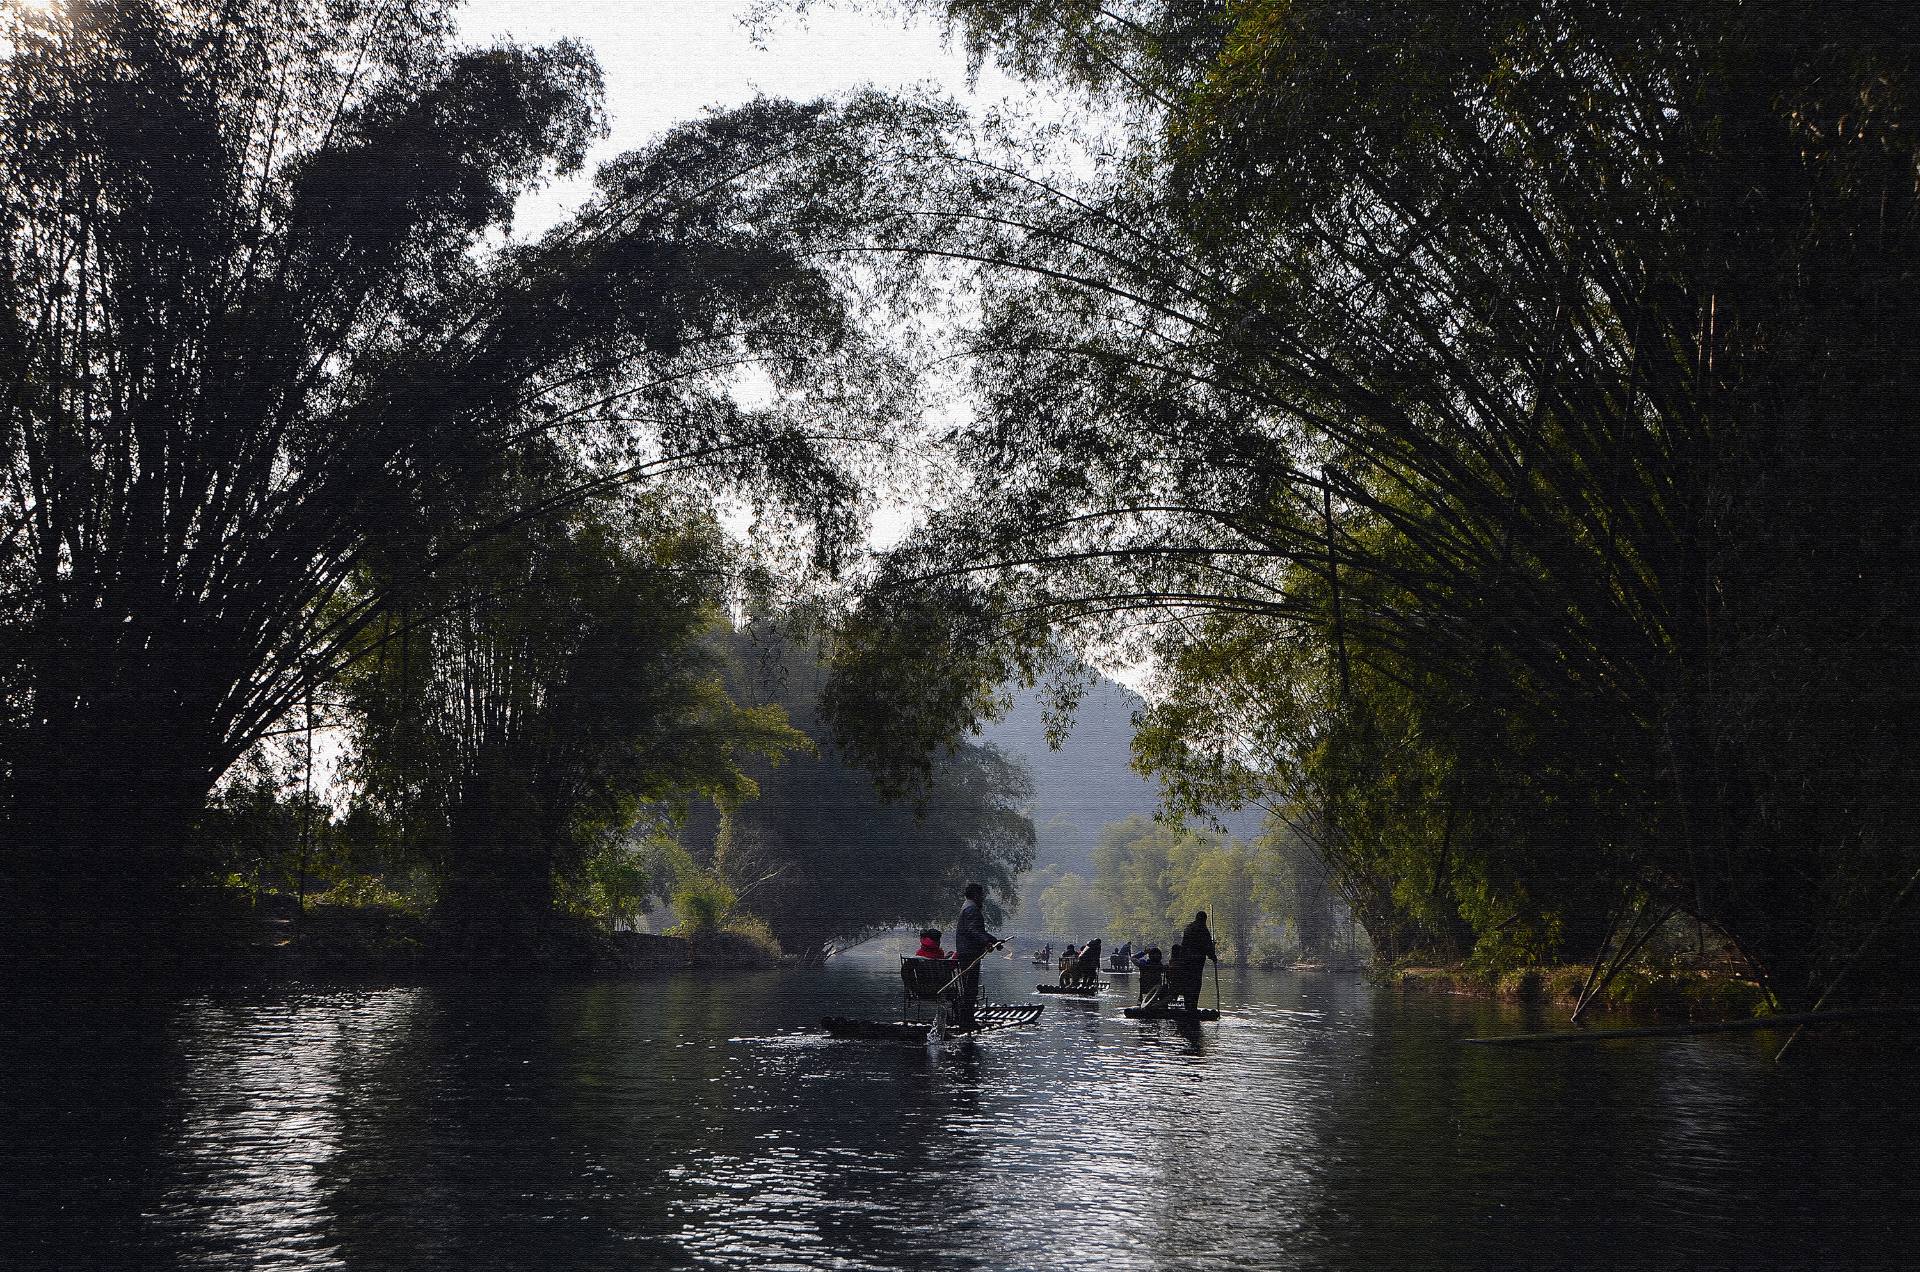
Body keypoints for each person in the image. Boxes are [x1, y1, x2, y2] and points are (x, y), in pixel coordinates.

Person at [954, 882, 1003, 1027]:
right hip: (969, 953)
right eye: (981, 895)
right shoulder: (972, 909)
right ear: (976, 895)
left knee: (968, 987)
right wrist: (987, 943)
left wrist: (992, 940)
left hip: (966, 952)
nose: (983, 898)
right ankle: (967, 1021)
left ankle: (966, 1019)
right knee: (970, 988)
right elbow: (972, 931)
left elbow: (975, 930)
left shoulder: (967, 906)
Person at [1173, 911, 1218, 1011]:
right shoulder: (1202, 929)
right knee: (1195, 983)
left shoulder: (1188, 928)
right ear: (1204, 919)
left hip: (1185, 961)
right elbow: (1206, 946)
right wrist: (1213, 956)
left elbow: (1184, 944)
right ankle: (1192, 1007)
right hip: (1196, 962)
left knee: (1186, 983)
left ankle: (1187, 1005)